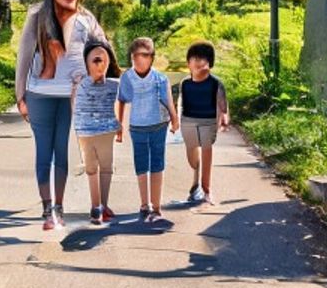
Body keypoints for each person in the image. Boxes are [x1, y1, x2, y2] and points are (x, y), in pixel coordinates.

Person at [15, 0, 106, 230]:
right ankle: (46, 210)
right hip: (39, 94)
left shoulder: (86, 19)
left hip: (71, 97)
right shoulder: (37, 16)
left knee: (61, 151)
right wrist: (20, 96)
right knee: (44, 151)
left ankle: (59, 208)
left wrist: (97, 81)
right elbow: (23, 57)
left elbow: (103, 51)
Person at [115, 37, 179, 223]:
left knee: (157, 163)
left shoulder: (160, 78)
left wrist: (175, 120)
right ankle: (145, 204)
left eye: (143, 55)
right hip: (137, 127)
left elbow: (168, 101)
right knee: (141, 164)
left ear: (151, 57)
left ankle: (156, 207)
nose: (139, 59)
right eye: (135, 56)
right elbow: (122, 100)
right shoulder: (127, 78)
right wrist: (119, 125)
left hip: (159, 125)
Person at [71, 40, 122, 225]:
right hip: (85, 132)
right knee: (91, 168)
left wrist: (120, 125)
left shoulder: (114, 85)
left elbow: (124, 103)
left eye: (105, 60)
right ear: (86, 64)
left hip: (107, 131)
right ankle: (95, 206)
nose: (101, 64)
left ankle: (104, 205)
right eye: (96, 60)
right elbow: (73, 105)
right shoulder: (80, 83)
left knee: (106, 167)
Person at [179, 40, 229, 205]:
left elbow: (222, 102)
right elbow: (174, 101)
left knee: (207, 151)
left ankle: (206, 189)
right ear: (189, 63)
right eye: (195, 59)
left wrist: (224, 117)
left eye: (203, 59)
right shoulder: (184, 83)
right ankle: (196, 181)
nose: (199, 62)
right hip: (188, 121)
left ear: (210, 63)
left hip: (208, 121)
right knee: (191, 153)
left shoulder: (216, 83)